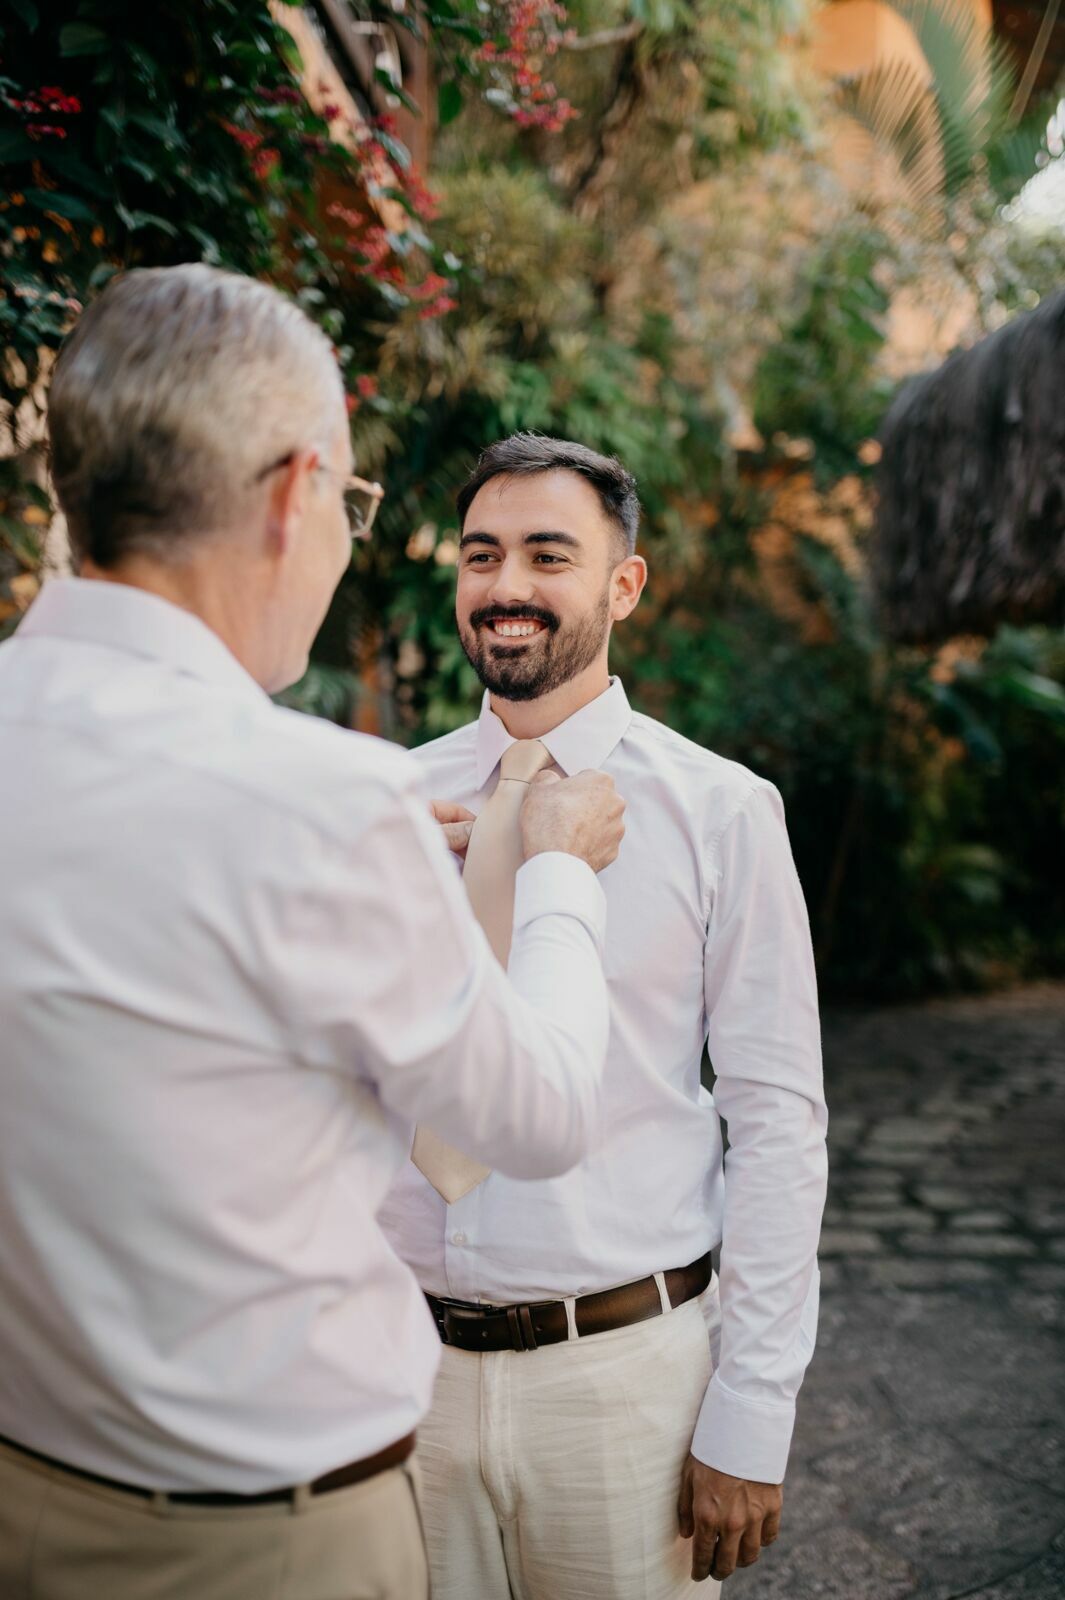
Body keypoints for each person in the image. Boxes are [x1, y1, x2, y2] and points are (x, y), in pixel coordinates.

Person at [0, 270, 626, 1600]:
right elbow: (543, 1113)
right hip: (257, 1548)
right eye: (353, 502)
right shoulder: (330, 805)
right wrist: (560, 876)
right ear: (296, 494)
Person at [380, 433, 829, 1598]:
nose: (507, 585)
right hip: (397, 1376)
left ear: (624, 584)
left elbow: (777, 1120)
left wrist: (752, 1411)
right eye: (482, 554)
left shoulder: (721, 810)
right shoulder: (383, 805)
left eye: (548, 555)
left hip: (624, 1385)